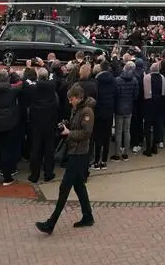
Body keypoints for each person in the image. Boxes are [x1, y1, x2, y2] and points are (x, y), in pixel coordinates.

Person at [35, 83, 95, 235]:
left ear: (78, 98)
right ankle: (87, 216)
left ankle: (51, 222)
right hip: (74, 150)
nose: (70, 102)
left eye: (72, 99)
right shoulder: (77, 108)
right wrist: (66, 126)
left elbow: (86, 133)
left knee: (65, 188)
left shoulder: (87, 111)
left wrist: (69, 133)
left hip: (80, 153)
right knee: (79, 186)